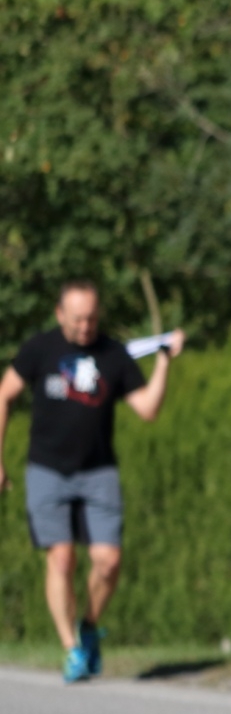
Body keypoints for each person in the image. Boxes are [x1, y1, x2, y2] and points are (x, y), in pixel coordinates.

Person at [0, 282, 185, 682]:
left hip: (98, 471)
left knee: (108, 561)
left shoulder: (113, 354)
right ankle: (71, 649)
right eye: (78, 319)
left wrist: (164, 362)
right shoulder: (39, 349)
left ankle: (89, 625)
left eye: (92, 319)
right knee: (61, 559)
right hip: (47, 469)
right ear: (60, 314)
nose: (85, 327)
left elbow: (148, 409)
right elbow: (4, 394)